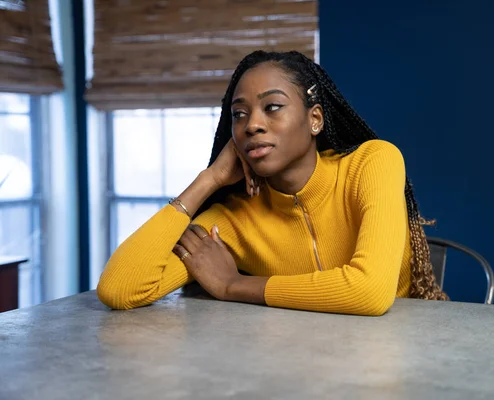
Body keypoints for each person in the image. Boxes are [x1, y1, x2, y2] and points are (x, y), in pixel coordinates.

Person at [97, 50, 448, 316]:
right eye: (239, 114)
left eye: (273, 107)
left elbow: (368, 292)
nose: (252, 125)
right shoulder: (233, 220)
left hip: (396, 360)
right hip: (293, 366)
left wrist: (233, 285)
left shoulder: (372, 163)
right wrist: (209, 180)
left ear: (314, 119)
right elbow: (120, 289)